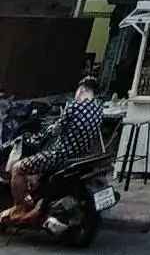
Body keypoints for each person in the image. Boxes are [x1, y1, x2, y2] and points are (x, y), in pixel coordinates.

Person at [2, 77, 104, 224]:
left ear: (82, 90)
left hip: (60, 155)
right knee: (36, 165)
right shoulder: (99, 108)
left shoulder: (73, 107)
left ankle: (19, 208)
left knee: (18, 168)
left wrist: (41, 134)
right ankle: (34, 196)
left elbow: (55, 130)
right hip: (78, 154)